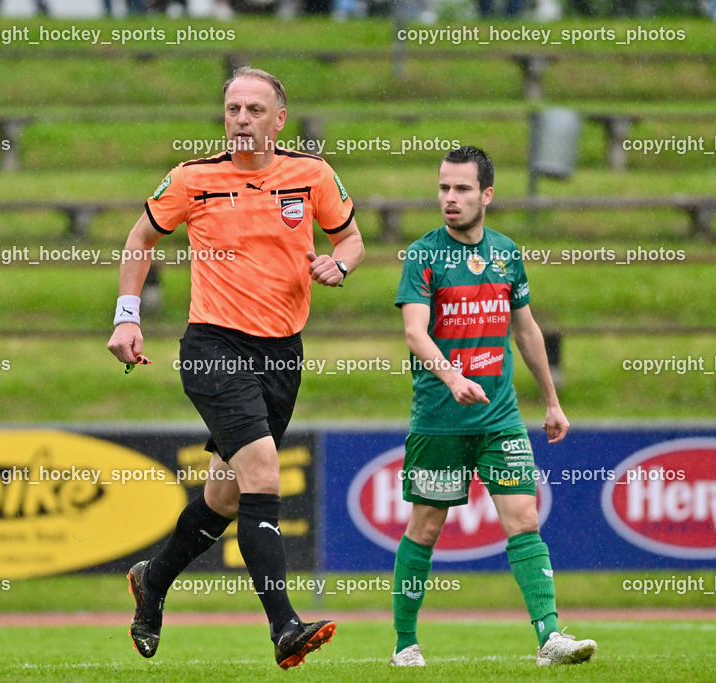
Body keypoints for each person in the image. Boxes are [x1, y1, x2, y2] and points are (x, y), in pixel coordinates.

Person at [107, 66, 364, 669]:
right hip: (214, 347)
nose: (242, 119)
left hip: (282, 353)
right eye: (232, 109)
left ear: (280, 118)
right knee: (264, 473)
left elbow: (351, 239)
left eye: (254, 110)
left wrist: (341, 264)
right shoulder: (194, 179)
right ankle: (284, 627)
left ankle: (154, 579)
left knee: (225, 496)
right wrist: (126, 316)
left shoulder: (312, 175)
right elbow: (141, 239)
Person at [391, 146, 597, 667]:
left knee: (524, 518)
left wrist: (551, 402)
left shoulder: (507, 252)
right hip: (440, 418)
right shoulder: (423, 255)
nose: (450, 199)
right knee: (426, 528)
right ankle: (404, 644)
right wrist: (452, 376)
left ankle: (550, 638)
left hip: (500, 417)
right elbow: (415, 332)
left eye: (461, 189)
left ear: (487, 195)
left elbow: (525, 329)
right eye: (443, 188)